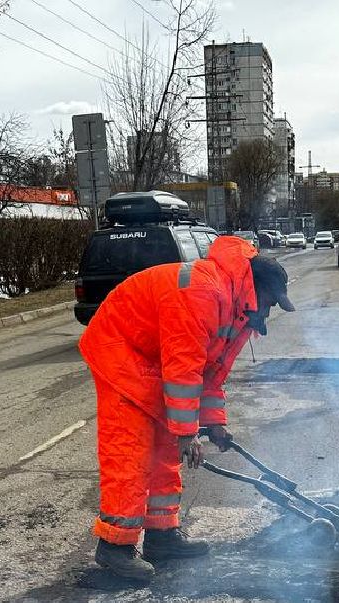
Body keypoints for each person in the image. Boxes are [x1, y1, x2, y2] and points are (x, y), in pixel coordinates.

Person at [78, 236, 295, 582]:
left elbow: (211, 373)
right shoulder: (204, 292)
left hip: (155, 359)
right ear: (255, 288)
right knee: (131, 452)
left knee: (166, 451)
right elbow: (183, 369)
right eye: (270, 302)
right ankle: (115, 547)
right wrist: (187, 432)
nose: (268, 312)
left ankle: (162, 536)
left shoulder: (237, 310)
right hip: (122, 350)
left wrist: (214, 423)